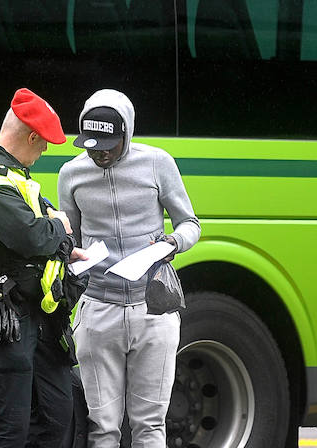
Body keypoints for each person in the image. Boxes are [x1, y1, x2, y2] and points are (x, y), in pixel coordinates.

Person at [58, 89, 201, 447]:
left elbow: (190, 224)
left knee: (150, 426)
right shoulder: (71, 174)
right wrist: (71, 254)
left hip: (152, 307)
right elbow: (68, 240)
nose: (101, 153)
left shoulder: (158, 163)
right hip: (98, 309)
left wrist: (172, 243)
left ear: (128, 134)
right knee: (102, 427)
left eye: (109, 144)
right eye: (91, 145)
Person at [0, 88, 87, 447]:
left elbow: (43, 235)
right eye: (43, 146)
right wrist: (59, 227)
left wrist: (59, 241)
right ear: (31, 136)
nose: (42, 154)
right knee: (7, 431)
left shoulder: (14, 175)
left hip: (40, 317)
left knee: (57, 418)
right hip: (2, 321)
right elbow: (30, 236)